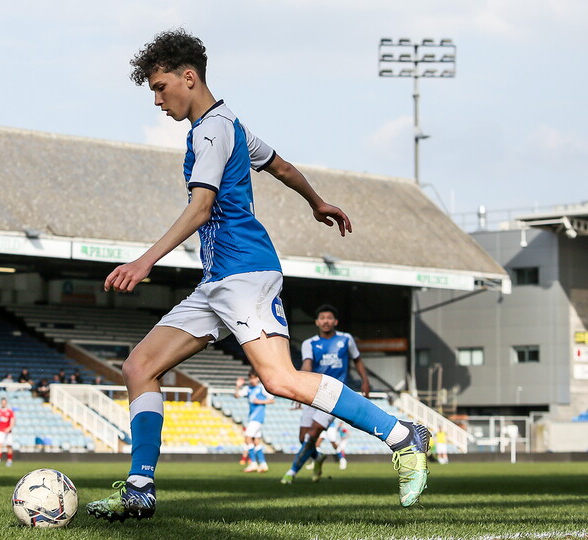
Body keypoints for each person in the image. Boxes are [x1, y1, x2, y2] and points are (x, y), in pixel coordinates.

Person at [86, 30, 429, 522]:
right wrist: (317, 202)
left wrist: (145, 262)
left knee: (280, 379)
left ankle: (401, 434)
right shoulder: (231, 125)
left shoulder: (210, 130)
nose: (158, 100)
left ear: (189, 77)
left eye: (161, 87)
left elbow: (201, 207)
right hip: (218, 281)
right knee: (139, 368)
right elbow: (281, 166)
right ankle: (139, 489)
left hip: (245, 274)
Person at [281, 304, 369, 484]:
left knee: (313, 435)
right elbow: (307, 365)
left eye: (329, 318)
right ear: (317, 322)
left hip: (334, 394)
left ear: (335, 321)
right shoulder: (309, 343)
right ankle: (318, 457)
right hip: (313, 390)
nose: (326, 321)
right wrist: (299, 386)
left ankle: (291, 472)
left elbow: (357, 360)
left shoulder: (346, 339)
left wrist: (365, 381)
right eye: (322, 318)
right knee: (302, 438)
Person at [235, 371, 274, 472]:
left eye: (254, 378)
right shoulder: (248, 389)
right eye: (250, 378)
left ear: (257, 378)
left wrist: (260, 401)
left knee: (248, 438)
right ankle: (263, 464)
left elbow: (272, 400)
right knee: (256, 441)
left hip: (257, 418)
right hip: (251, 418)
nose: (252, 380)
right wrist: (238, 386)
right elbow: (237, 395)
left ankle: (253, 463)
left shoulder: (262, 388)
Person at [0, 397, 15, 467]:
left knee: (9, 446)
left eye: (4, 403)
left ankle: (9, 460)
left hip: (8, 432)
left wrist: (9, 428)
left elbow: (12, 422)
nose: (3, 404)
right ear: (1, 403)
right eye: (2, 403)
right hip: (0, 431)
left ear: (6, 403)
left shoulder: (10, 412)